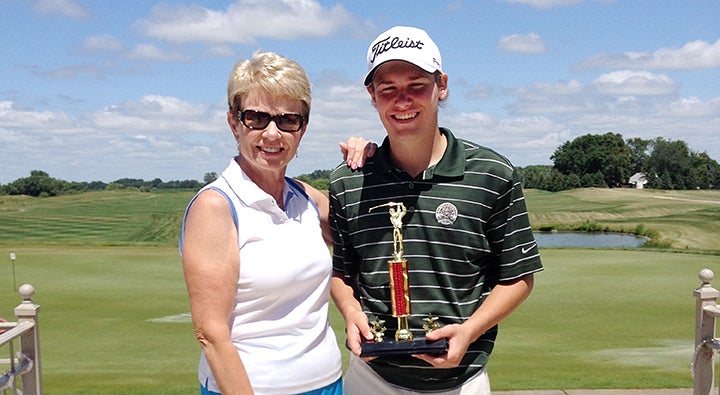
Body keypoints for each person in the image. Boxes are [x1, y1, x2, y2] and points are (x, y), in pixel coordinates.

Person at [329, 26, 544, 394]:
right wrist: (351, 315)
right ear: (372, 95)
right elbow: (342, 276)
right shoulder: (348, 182)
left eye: (417, 85)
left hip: (464, 381)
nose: (403, 101)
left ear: (441, 85)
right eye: (388, 89)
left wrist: (469, 331)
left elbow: (518, 277)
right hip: (371, 379)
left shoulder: (492, 174)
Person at [179, 51, 371, 395]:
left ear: (303, 128)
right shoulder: (216, 206)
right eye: (256, 117)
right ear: (233, 122)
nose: (272, 133)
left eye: (287, 120)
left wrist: (374, 161)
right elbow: (211, 334)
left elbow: (371, 235)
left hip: (328, 383)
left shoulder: (307, 199)